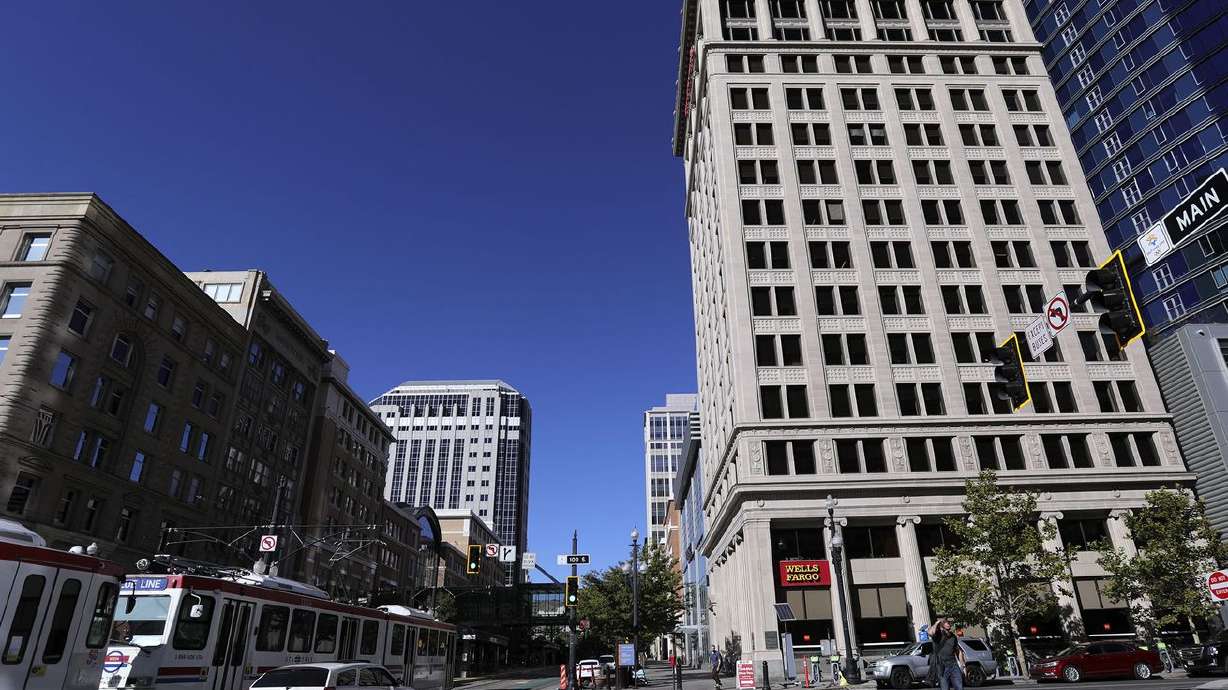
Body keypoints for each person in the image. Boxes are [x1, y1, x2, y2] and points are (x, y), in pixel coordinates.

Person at [929, 618, 966, 690]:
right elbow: (930, 633)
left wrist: (963, 666)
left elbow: (958, 651)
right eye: (946, 622)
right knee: (945, 688)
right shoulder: (937, 634)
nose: (949, 624)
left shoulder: (953, 637)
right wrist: (937, 622)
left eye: (949, 622)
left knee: (960, 687)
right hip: (942, 666)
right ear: (942, 625)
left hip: (953, 665)